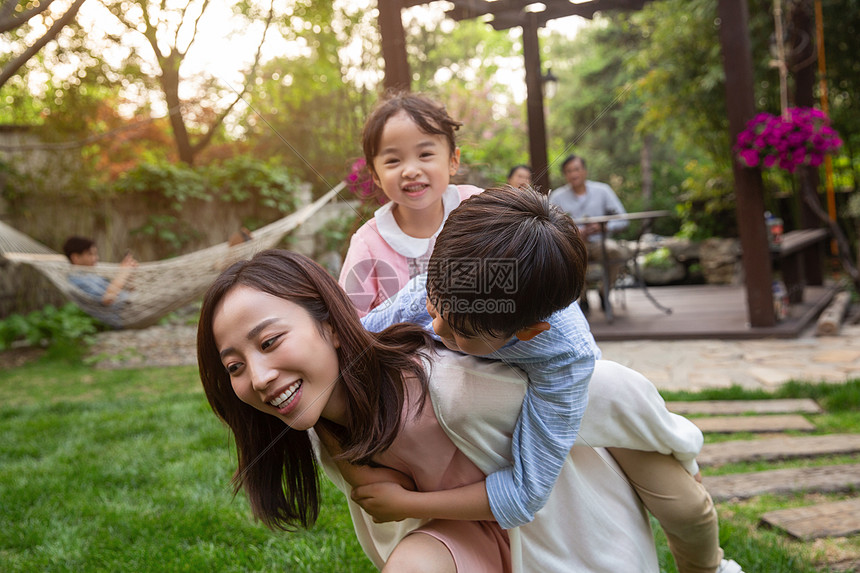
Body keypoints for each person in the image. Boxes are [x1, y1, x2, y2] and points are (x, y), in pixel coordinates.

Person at [197, 249, 673, 572]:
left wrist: (677, 444)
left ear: (333, 324)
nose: (258, 377)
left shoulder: (444, 386)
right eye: (235, 365)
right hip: (468, 540)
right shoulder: (323, 431)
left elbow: (605, 392)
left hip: (560, 532)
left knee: (689, 511)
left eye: (270, 341)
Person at [360, 187, 742, 573]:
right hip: (516, 411)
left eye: (461, 332)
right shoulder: (446, 288)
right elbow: (354, 344)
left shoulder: (564, 357)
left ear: (529, 331)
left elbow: (525, 494)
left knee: (687, 508)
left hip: (603, 412)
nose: (435, 324)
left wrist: (407, 505)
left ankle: (709, 563)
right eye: (433, 303)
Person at [338, 91, 482, 317]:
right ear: (375, 174)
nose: (411, 171)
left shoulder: (478, 208)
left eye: (425, 154)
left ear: (453, 161)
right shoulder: (368, 243)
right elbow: (350, 321)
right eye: (393, 160)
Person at [548, 154, 629, 314]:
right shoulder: (557, 196)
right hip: (575, 244)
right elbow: (549, 225)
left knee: (615, 252)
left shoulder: (603, 190)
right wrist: (572, 232)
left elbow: (623, 219)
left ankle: (604, 291)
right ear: (565, 175)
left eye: (576, 169)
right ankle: (582, 296)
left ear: (584, 171)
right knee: (569, 256)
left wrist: (604, 227)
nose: (573, 174)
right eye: (569, 171)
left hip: (601, 242)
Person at [62, 236, 138, 328]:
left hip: (133, 309)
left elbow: (123, 292)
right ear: (76, 258)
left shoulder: (91, 275)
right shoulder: (77, 280)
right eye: (90, 254)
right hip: (123, 317)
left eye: (96, 254)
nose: (96, 258)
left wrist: (129, 276)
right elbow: (107, 299)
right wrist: (123, 273)